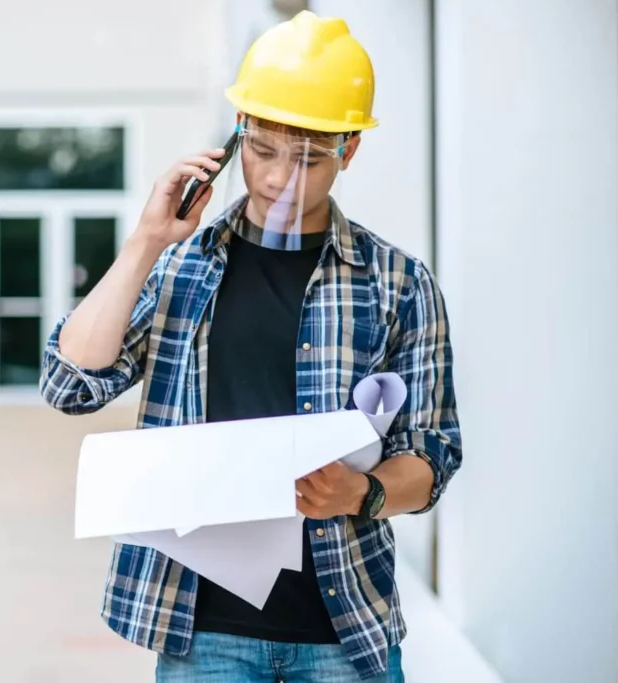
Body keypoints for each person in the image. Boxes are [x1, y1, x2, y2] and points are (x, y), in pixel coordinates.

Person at [39, 10, 461, 683]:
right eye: (263, 150)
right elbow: (70, 384)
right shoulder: (182, 266)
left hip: (345, 630)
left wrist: (365, 491)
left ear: (348, 150)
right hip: (203, 633)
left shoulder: (399, 285)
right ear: (237, 137)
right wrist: (147, 240)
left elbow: (433, 455)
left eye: (309, 158)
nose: (279, 180)